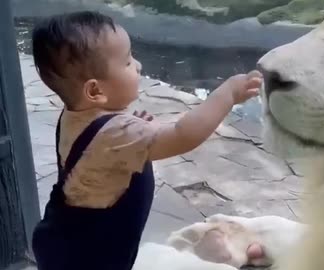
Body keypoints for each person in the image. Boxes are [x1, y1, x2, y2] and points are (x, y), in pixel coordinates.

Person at [30, 10, 262, 270]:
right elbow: (183, 135)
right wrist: (227, 94)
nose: (138, 65)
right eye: (128, 62)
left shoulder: (75, 115)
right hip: (91, 257)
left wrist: (140, 131)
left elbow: (101, 153)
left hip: (62, 238)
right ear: (95, 90)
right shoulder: (117, 134)